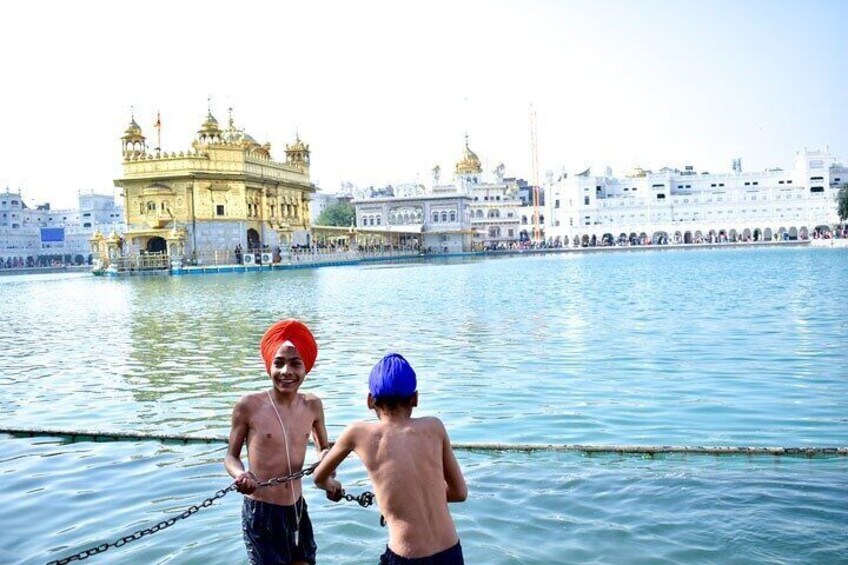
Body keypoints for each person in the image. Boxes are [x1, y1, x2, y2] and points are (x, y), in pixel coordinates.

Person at [314, 353, 468, 564]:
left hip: (407, 557)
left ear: (370, 401)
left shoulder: (357, 433)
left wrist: (332, 485)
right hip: (451, 552)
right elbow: (460, 492)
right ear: (415, 398)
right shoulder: (435, 427)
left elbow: (318, 477)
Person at [224, 319, 338, 565]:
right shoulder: (248, 406)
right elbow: (230, 456)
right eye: (279, 363)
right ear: (269, 366)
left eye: (295, 363)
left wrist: (328, 478)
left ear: (306, 367)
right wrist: (241, 475)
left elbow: (324, 450)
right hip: (261, 511)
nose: (286, 371)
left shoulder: (313, 405)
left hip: (297, 509)